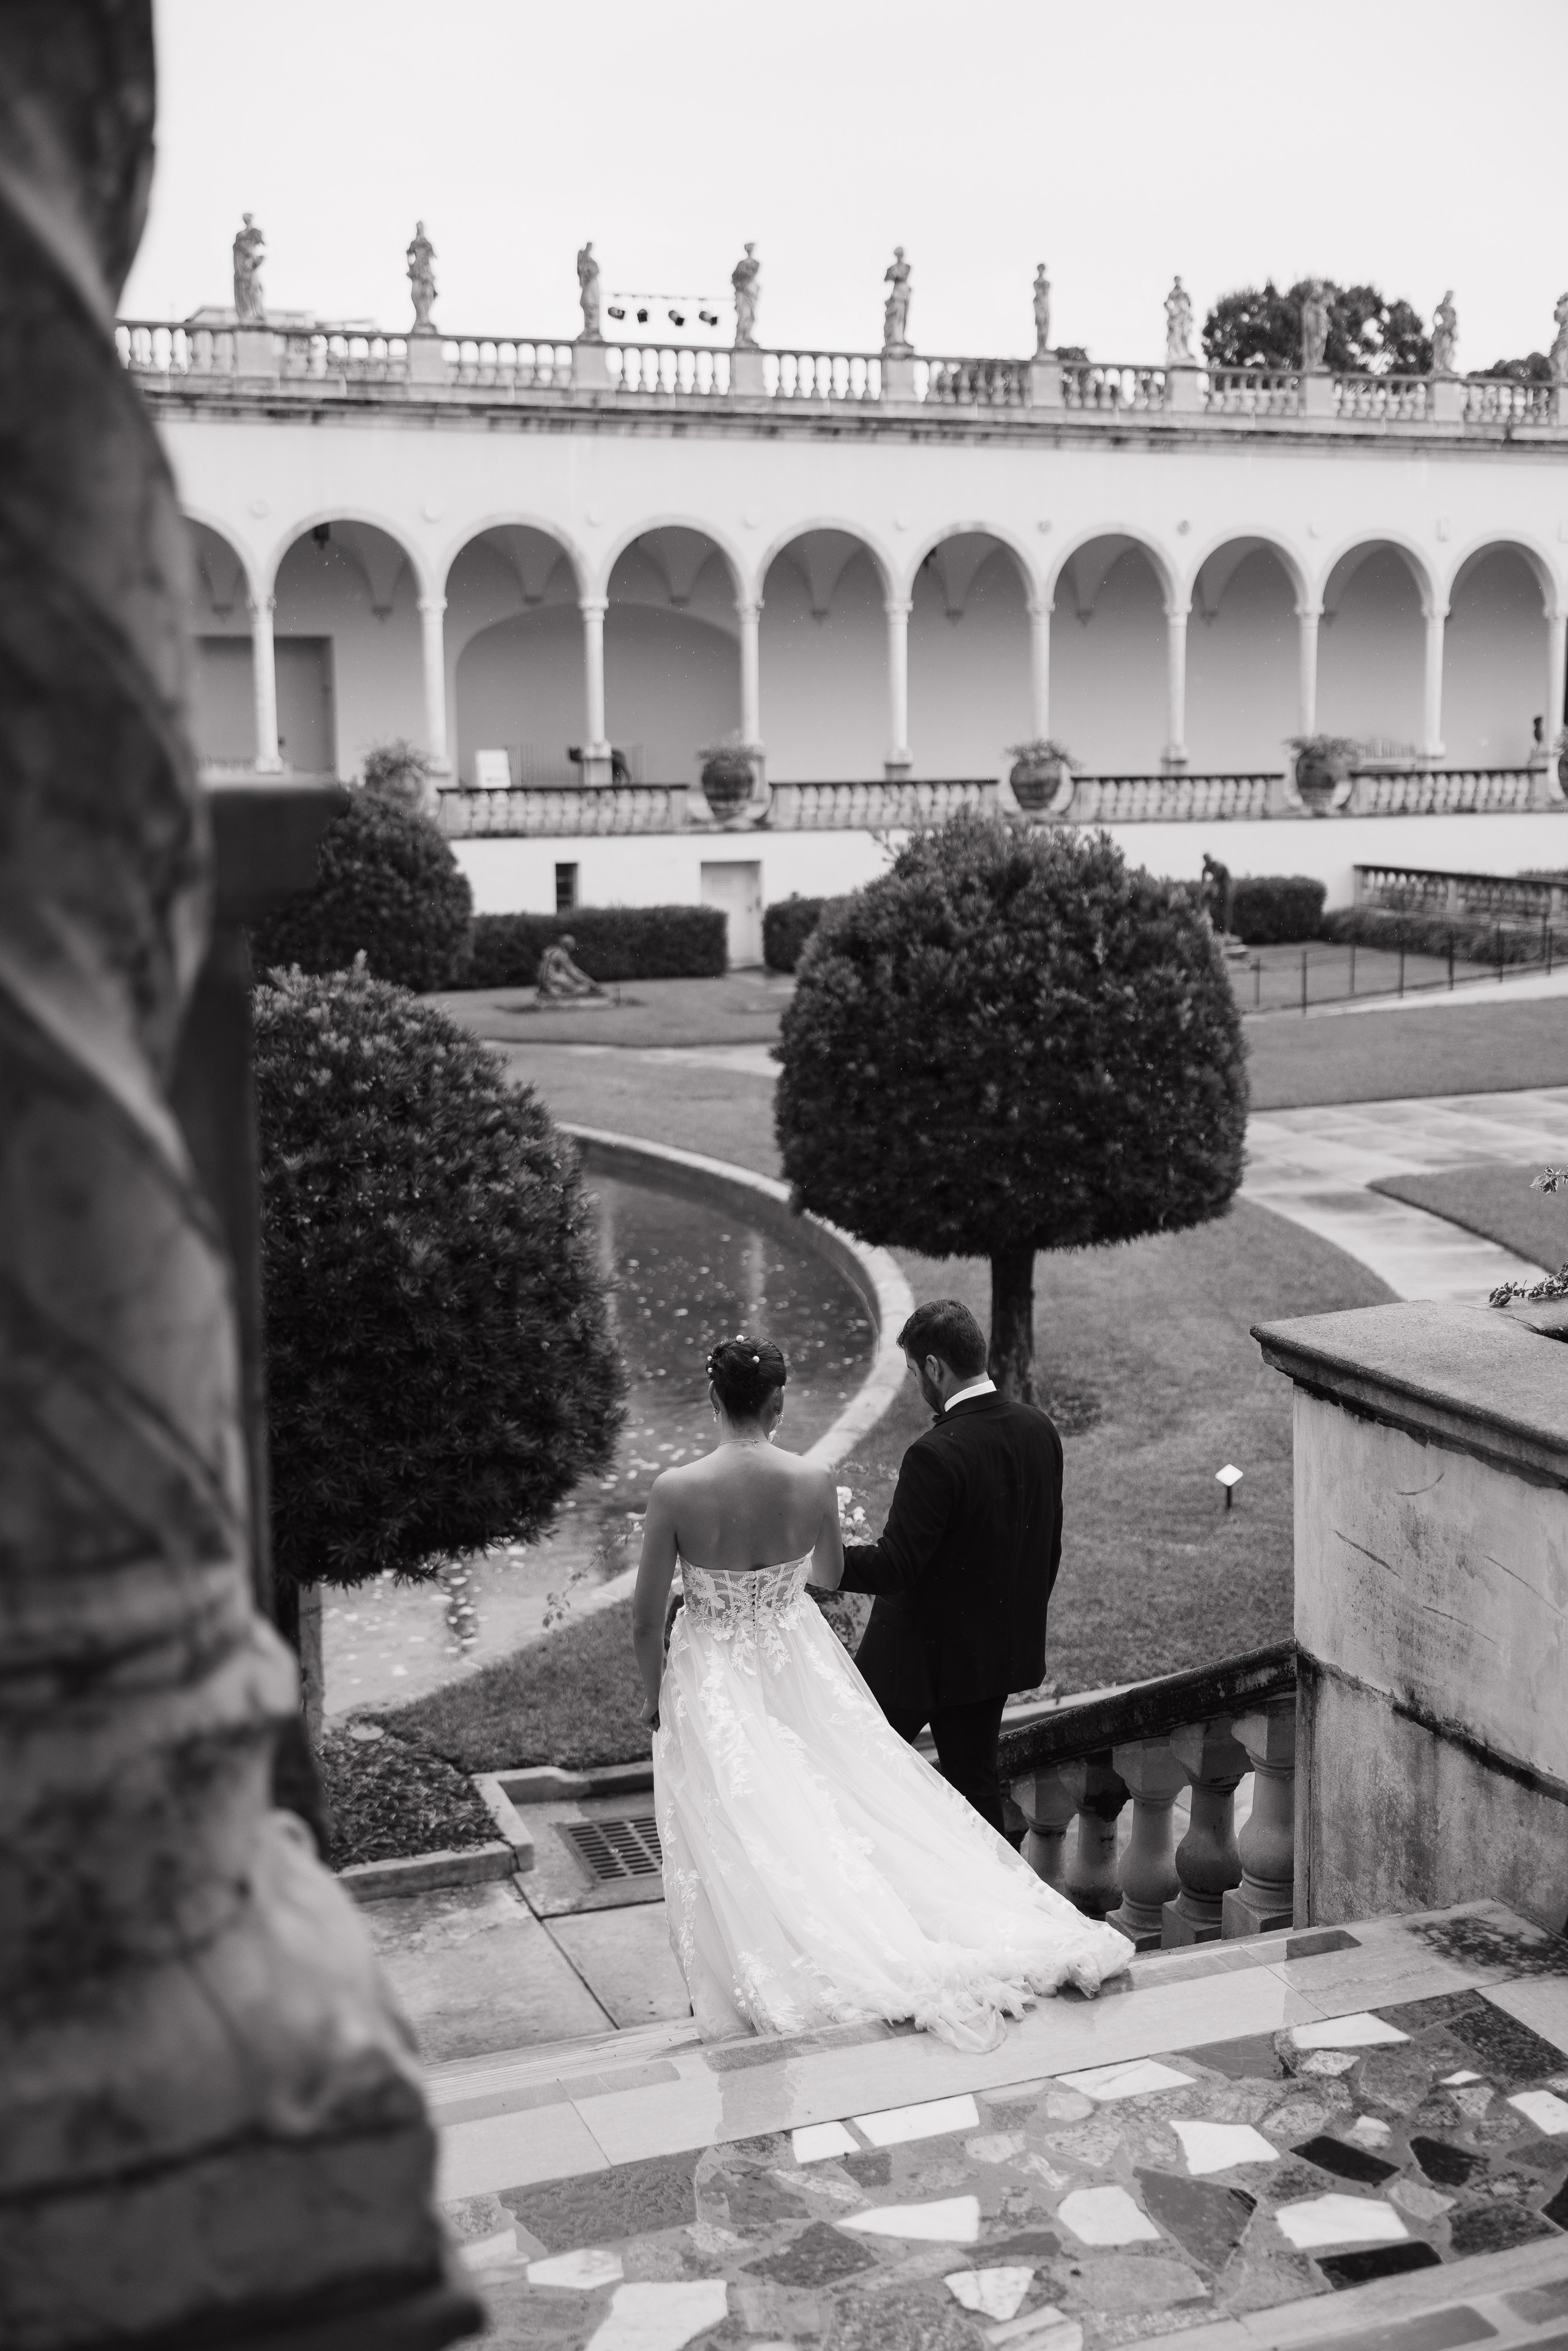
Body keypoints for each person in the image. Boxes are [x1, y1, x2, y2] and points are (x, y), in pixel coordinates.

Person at [632, 1332, 1129, 2053]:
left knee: (742, 1826)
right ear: (778, 1402)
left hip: (711, 1673)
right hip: (797, 1657)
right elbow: (829, 1571)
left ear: (713, 1398)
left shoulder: (675, 1490)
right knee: (838, 1801)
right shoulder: (811, 1477)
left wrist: (655, 1698)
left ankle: (764, 1970)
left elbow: (647, 1620)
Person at [839, 1299, 1060, 1833]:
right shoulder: (1039, 1429)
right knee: (975, 1790)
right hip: (993, 1657)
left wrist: (817, 1562)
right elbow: (1045, 1548)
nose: (918, 1385)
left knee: (850, 1771)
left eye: (916, 1373)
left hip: (913, 1661)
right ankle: (998, 1906)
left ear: (935, 1367)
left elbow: (895, 1567)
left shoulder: (935, 1453)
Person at [535, 935, 605, 1000]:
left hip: (545, 980)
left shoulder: (555, 951)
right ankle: (556, 991)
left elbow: (575, 969)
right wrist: (591, 984)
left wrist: (589, 980)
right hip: (552, 980)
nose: (574, 945)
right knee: (581, 987)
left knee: (574, 983)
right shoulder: (562, 954)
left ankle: (555, 990)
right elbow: (572, 973)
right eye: (573, 943)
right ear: (567, 945)